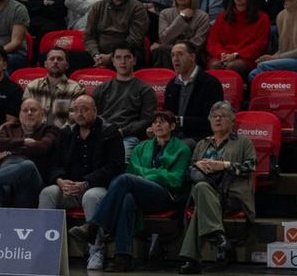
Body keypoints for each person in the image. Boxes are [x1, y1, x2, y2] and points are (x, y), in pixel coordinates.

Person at [72, 110, 190, 273]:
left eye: (162, 122)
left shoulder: (182, 149)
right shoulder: (141, 147)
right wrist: (156, 174)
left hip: (165, 195)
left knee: (125, 179)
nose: (158, 125)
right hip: (140, 193)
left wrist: (146, 175)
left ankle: (95, 226)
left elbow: (175, 180)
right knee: (127, 198)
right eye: (155, 122)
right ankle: (122, 257)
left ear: (172, 126)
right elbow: (132, 170)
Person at [38, 94, 124, 265]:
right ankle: (47, 249)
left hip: (98, 187)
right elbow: (54, 163)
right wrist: (60, 181)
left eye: (84, 109)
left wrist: (86, 182)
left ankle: (96, 251)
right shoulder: (66, 133)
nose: (79, 114)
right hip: (70, 188)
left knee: (91, 196)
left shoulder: (110, 132)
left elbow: (115, 167)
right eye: (75, 110)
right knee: (48, 193)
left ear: (95, 111)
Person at [177, 101, 256, 274]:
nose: (218, 119)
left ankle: (195, 256)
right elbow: (188, 172)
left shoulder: (243, 142)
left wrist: (225, 165)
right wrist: (197, 165)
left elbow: (251, 167)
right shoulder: (202, 144)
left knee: (201, 200)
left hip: (232, 196)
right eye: (214, 116)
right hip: (208, 193)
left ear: (232, 120)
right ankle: (219, 238)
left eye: (222, 116)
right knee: (201, 188)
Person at [92, 45, 156, 157]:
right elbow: (93, 115)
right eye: (118, 57)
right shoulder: (101, 89)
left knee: (120, 157)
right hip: (102, 134)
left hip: (128, 137)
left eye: (127, 57)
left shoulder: (145, 90)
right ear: (113, 61)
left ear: (134, 60)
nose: (123, 61)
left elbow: (146, 119)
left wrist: (122, 132)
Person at [207, 0, 269, 79]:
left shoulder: (262, 18)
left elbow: (260, 44)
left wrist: (236, 54)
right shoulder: (222, 17)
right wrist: (222, 54)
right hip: (224, 56)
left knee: (233, 66)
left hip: (247, 58)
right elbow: (213, 42)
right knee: (215, 65)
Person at [165, 41, 225, 144]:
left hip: (200, 137)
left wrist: (180, 121)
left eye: (180, 54)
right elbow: (168, 115)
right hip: (173, 136)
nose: (175, 59)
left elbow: (211, 121)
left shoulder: (210, 83)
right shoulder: (171, 85)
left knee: (179, 147)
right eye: (173, 55)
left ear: (192, 57)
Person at [85, 0, 149, 69]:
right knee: (73, 58)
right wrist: (96, 55)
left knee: (128, 60)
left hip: (128, 52)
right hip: (99, 53)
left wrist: (111, 57)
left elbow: (135, 39)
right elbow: (89, 36)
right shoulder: (97, 7)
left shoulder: (137, 8)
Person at [23, 48, 85, 128]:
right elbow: (25, 115)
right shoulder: (32, 87)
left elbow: (74, 119)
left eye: (59, 59)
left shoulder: (76, 89)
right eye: (52, 59)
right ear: (45, 64)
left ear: (67, 65)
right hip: (35, 132)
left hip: (62, 134)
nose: (55, 62)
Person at [154, 0, 211, 68]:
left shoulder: (203, 16)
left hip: (193, 55)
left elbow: (197, 44)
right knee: (162, 51)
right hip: (168, 52)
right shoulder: (165, 14)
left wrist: (175, 47)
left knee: (165, 50)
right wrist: (182, 18)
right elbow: (164, 39)